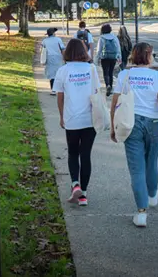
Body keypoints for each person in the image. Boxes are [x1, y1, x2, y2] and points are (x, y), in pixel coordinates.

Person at [111, 42, 158, 228]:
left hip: (131, 123)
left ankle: (141, 213)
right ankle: (152, 194)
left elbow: (115, 103)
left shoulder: (124, 75)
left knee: (137, 168)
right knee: (151, 162)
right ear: (149, 56)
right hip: (153, 122)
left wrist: (113, 127)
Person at [53, 39, 100, 207]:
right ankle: (84, 195)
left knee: (73, 152)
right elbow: (97, 92)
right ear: (83, 51)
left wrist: (61, 116)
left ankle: (75, 184)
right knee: (85, 154)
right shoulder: (92, 69)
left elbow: (60, 96)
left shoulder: (63, 71)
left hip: (72, 118)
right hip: (90, 119)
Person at [95, 24, 121, 94]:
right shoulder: (114, 37)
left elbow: (99, 50)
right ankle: (111, 87)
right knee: (111, 72)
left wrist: (97, 58)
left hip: (105, 57)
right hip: (113, 57)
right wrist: (119, 57)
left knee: (105, 72)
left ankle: (107, 85)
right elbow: (118, 47)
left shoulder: (102, 38)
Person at [41, 28, 65, 96]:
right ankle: (61, 89)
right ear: (53, 33)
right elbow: (62, 49)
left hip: (49, 58)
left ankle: (53, 90)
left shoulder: (44, 41)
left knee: (51, 75)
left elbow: (42, 50)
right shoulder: (58, 40)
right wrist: (65, 58)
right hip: (58, 57)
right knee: (59, 73)